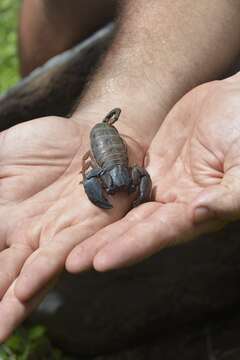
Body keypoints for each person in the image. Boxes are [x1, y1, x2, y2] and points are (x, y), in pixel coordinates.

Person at [0, 0, 240, 342]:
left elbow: (138, 174)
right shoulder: (99, 164)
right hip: (103, 139)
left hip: (112, 147)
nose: (123, 190)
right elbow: (92, 170)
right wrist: (132, 103)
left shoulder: (130, 171)